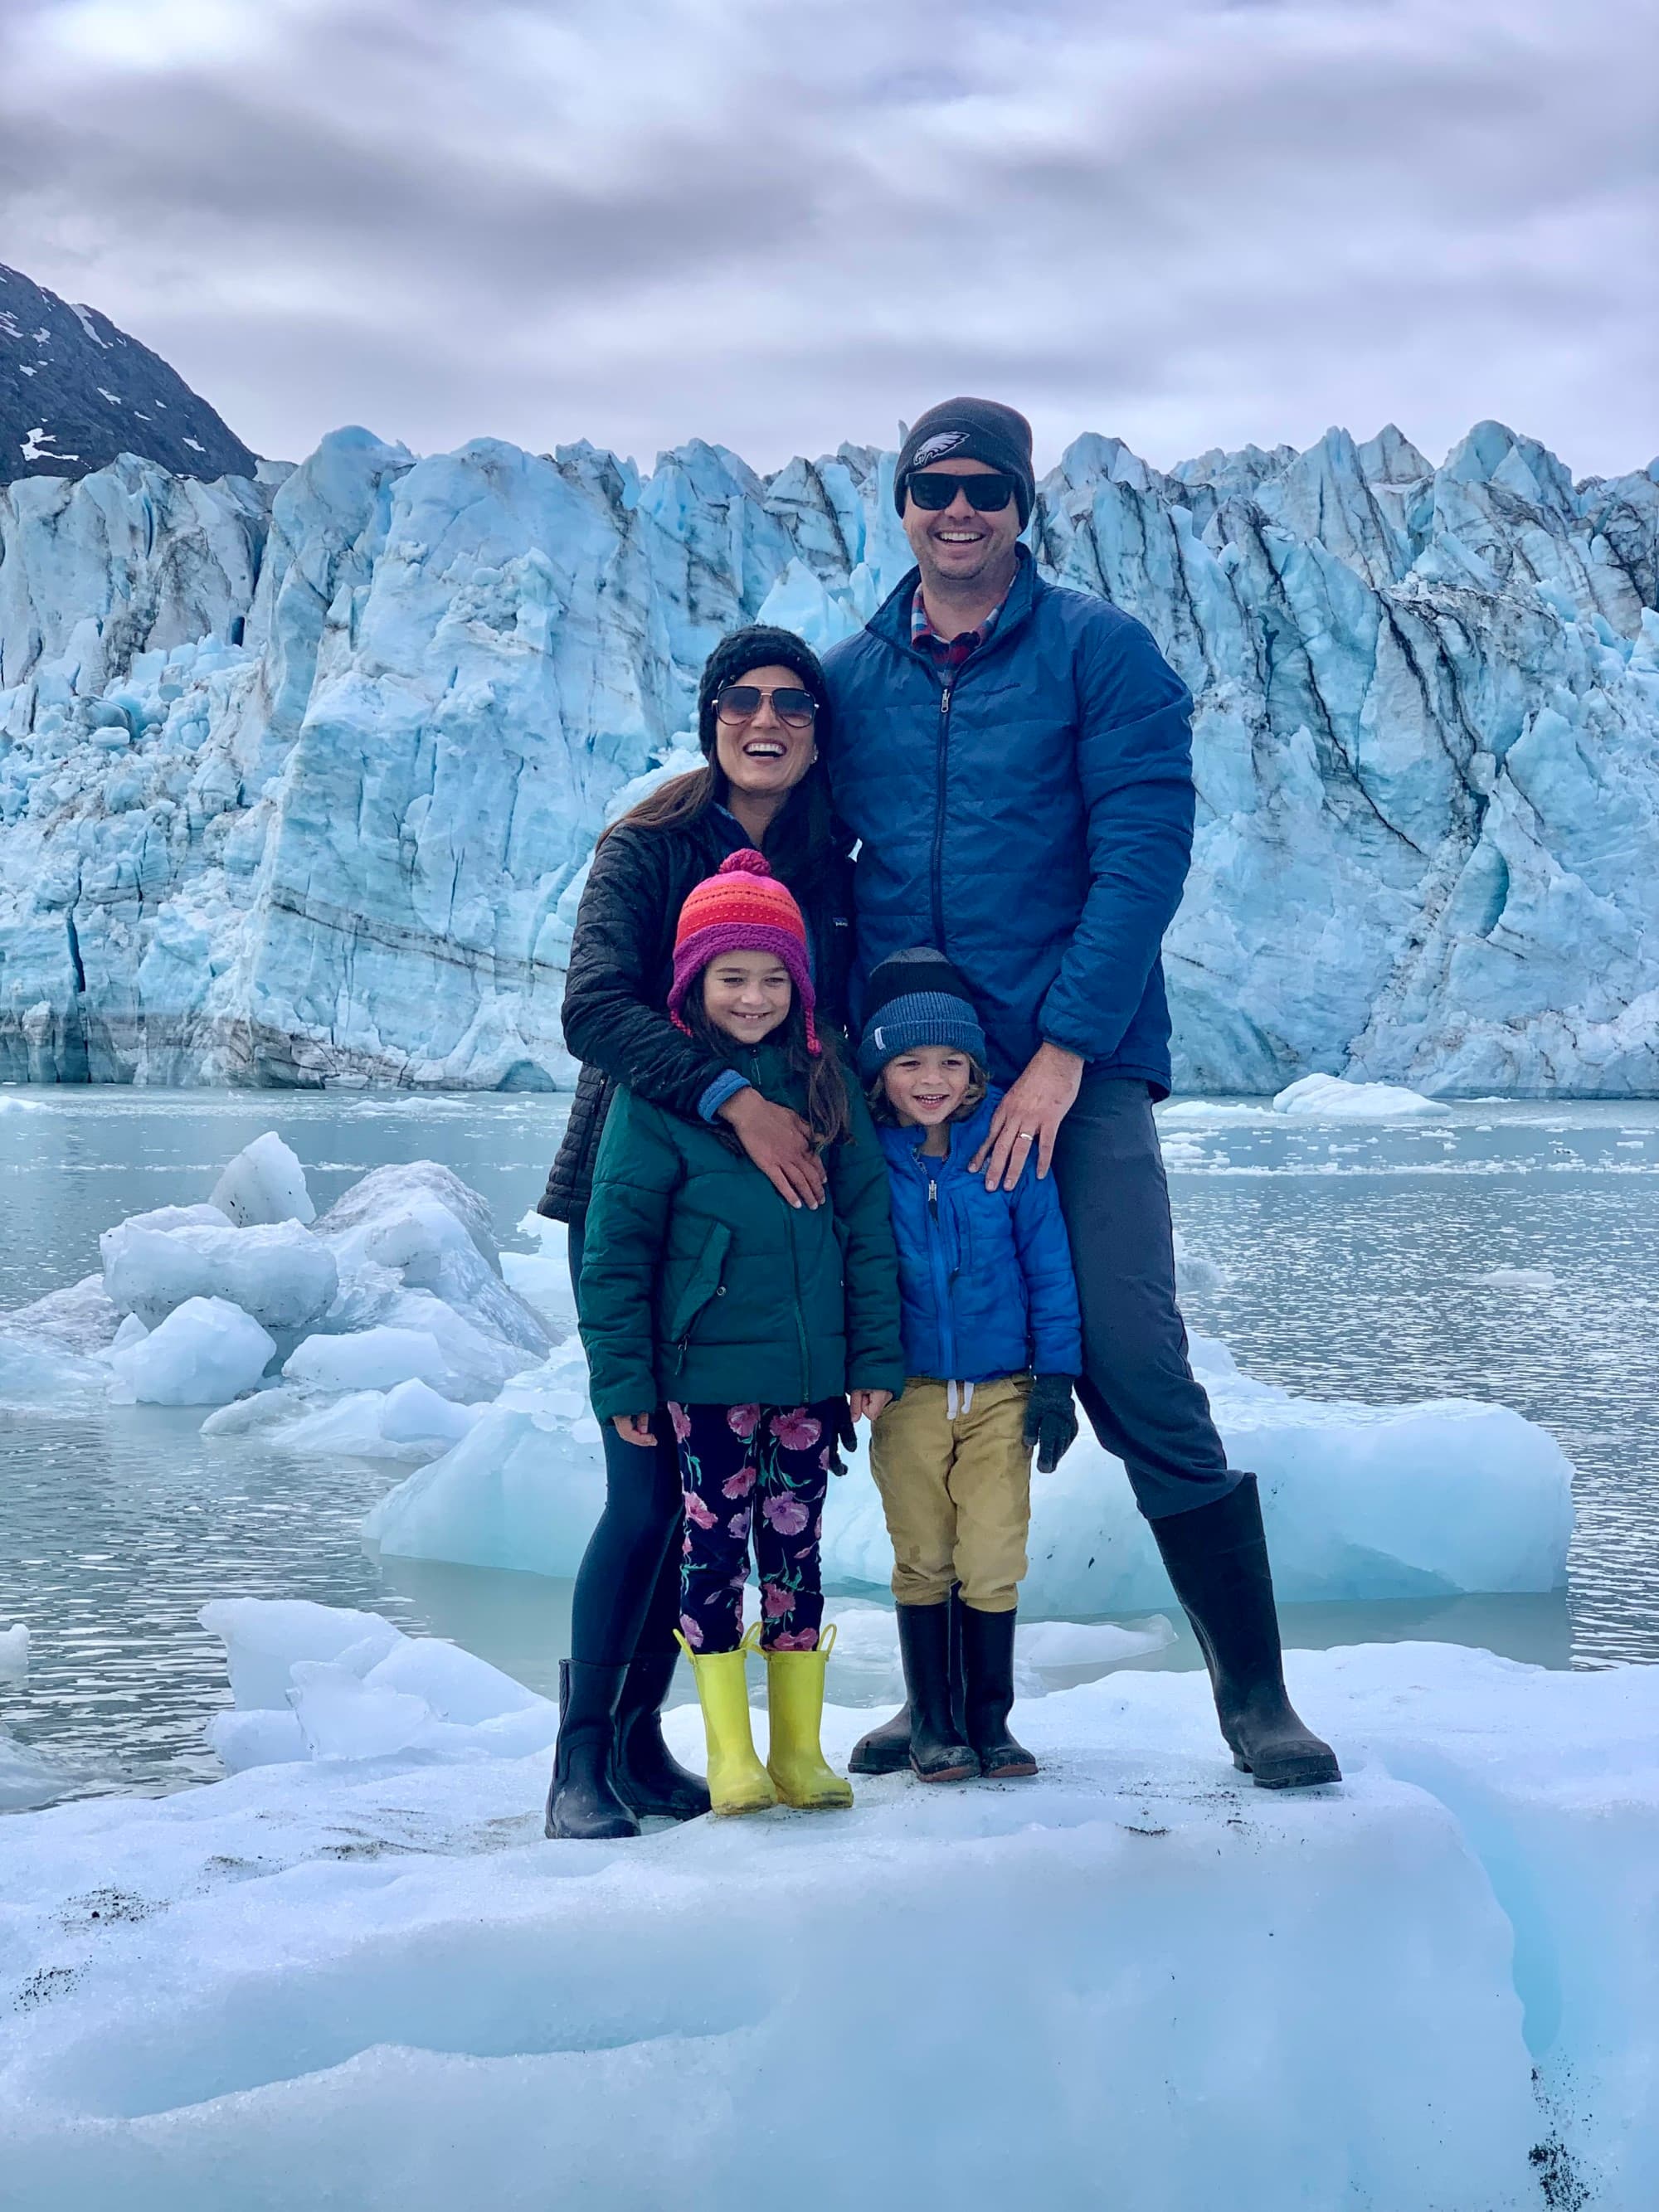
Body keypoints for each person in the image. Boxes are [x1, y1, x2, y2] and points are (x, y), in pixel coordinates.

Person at [823, 397, 1339, 1790]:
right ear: (904, 501)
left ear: (1024, 505)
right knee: (918, 1367)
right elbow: (806, 860)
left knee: (1129, 1356)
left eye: (988, 487)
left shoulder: (1103, 656)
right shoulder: (848, 676)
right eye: (936, 486)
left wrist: (1060, 1052)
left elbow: (1140, 861)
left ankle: (1255, 1694)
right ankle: (938, 1698)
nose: (961, 509)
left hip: (1075, 1067)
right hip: (907, 1085)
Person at [539, 626, 855, 1841]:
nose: (764, 719)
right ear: (709, 713)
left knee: (710, 1500)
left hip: (774, 1220)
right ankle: (576, 1763)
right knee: (645, 1487)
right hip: (639, 1197)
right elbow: (595, 1007)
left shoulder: (835, 867)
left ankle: (640, 1740)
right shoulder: (650, 846)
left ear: (819, 728)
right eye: (741, 698)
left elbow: (843, 1029)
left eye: (792, 702)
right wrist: (731, 1096)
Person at [577, 850, 905, 1816]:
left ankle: (796, 1749)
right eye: (732, 977)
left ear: (798, 984)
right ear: (693, 983)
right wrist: (624, 1383)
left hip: (809, 1379)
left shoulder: (826, 1081)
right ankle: (729, 1752)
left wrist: (873, 1355)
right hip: (706, 1379)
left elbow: (867, 1232)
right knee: (712, 1555)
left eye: (772, 978)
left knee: (795, 1558)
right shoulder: (661, 1098)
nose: (753, 997)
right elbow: (616, 1250)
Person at [859, 948, 1081, 1784]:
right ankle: (933, 1723)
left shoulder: (1007, 1152)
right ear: (879, 1072)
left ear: (975, 1070)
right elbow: (852, 1274)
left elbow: (1048, 1267)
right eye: (909, 1062)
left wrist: (1055, 1379)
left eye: (951, 1062)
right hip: (906, 1395)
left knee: (992, 1554)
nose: (931, 1079)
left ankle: (990, 1722)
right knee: (921, 1553)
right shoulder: (866, 1162)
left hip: (1001, 1392)